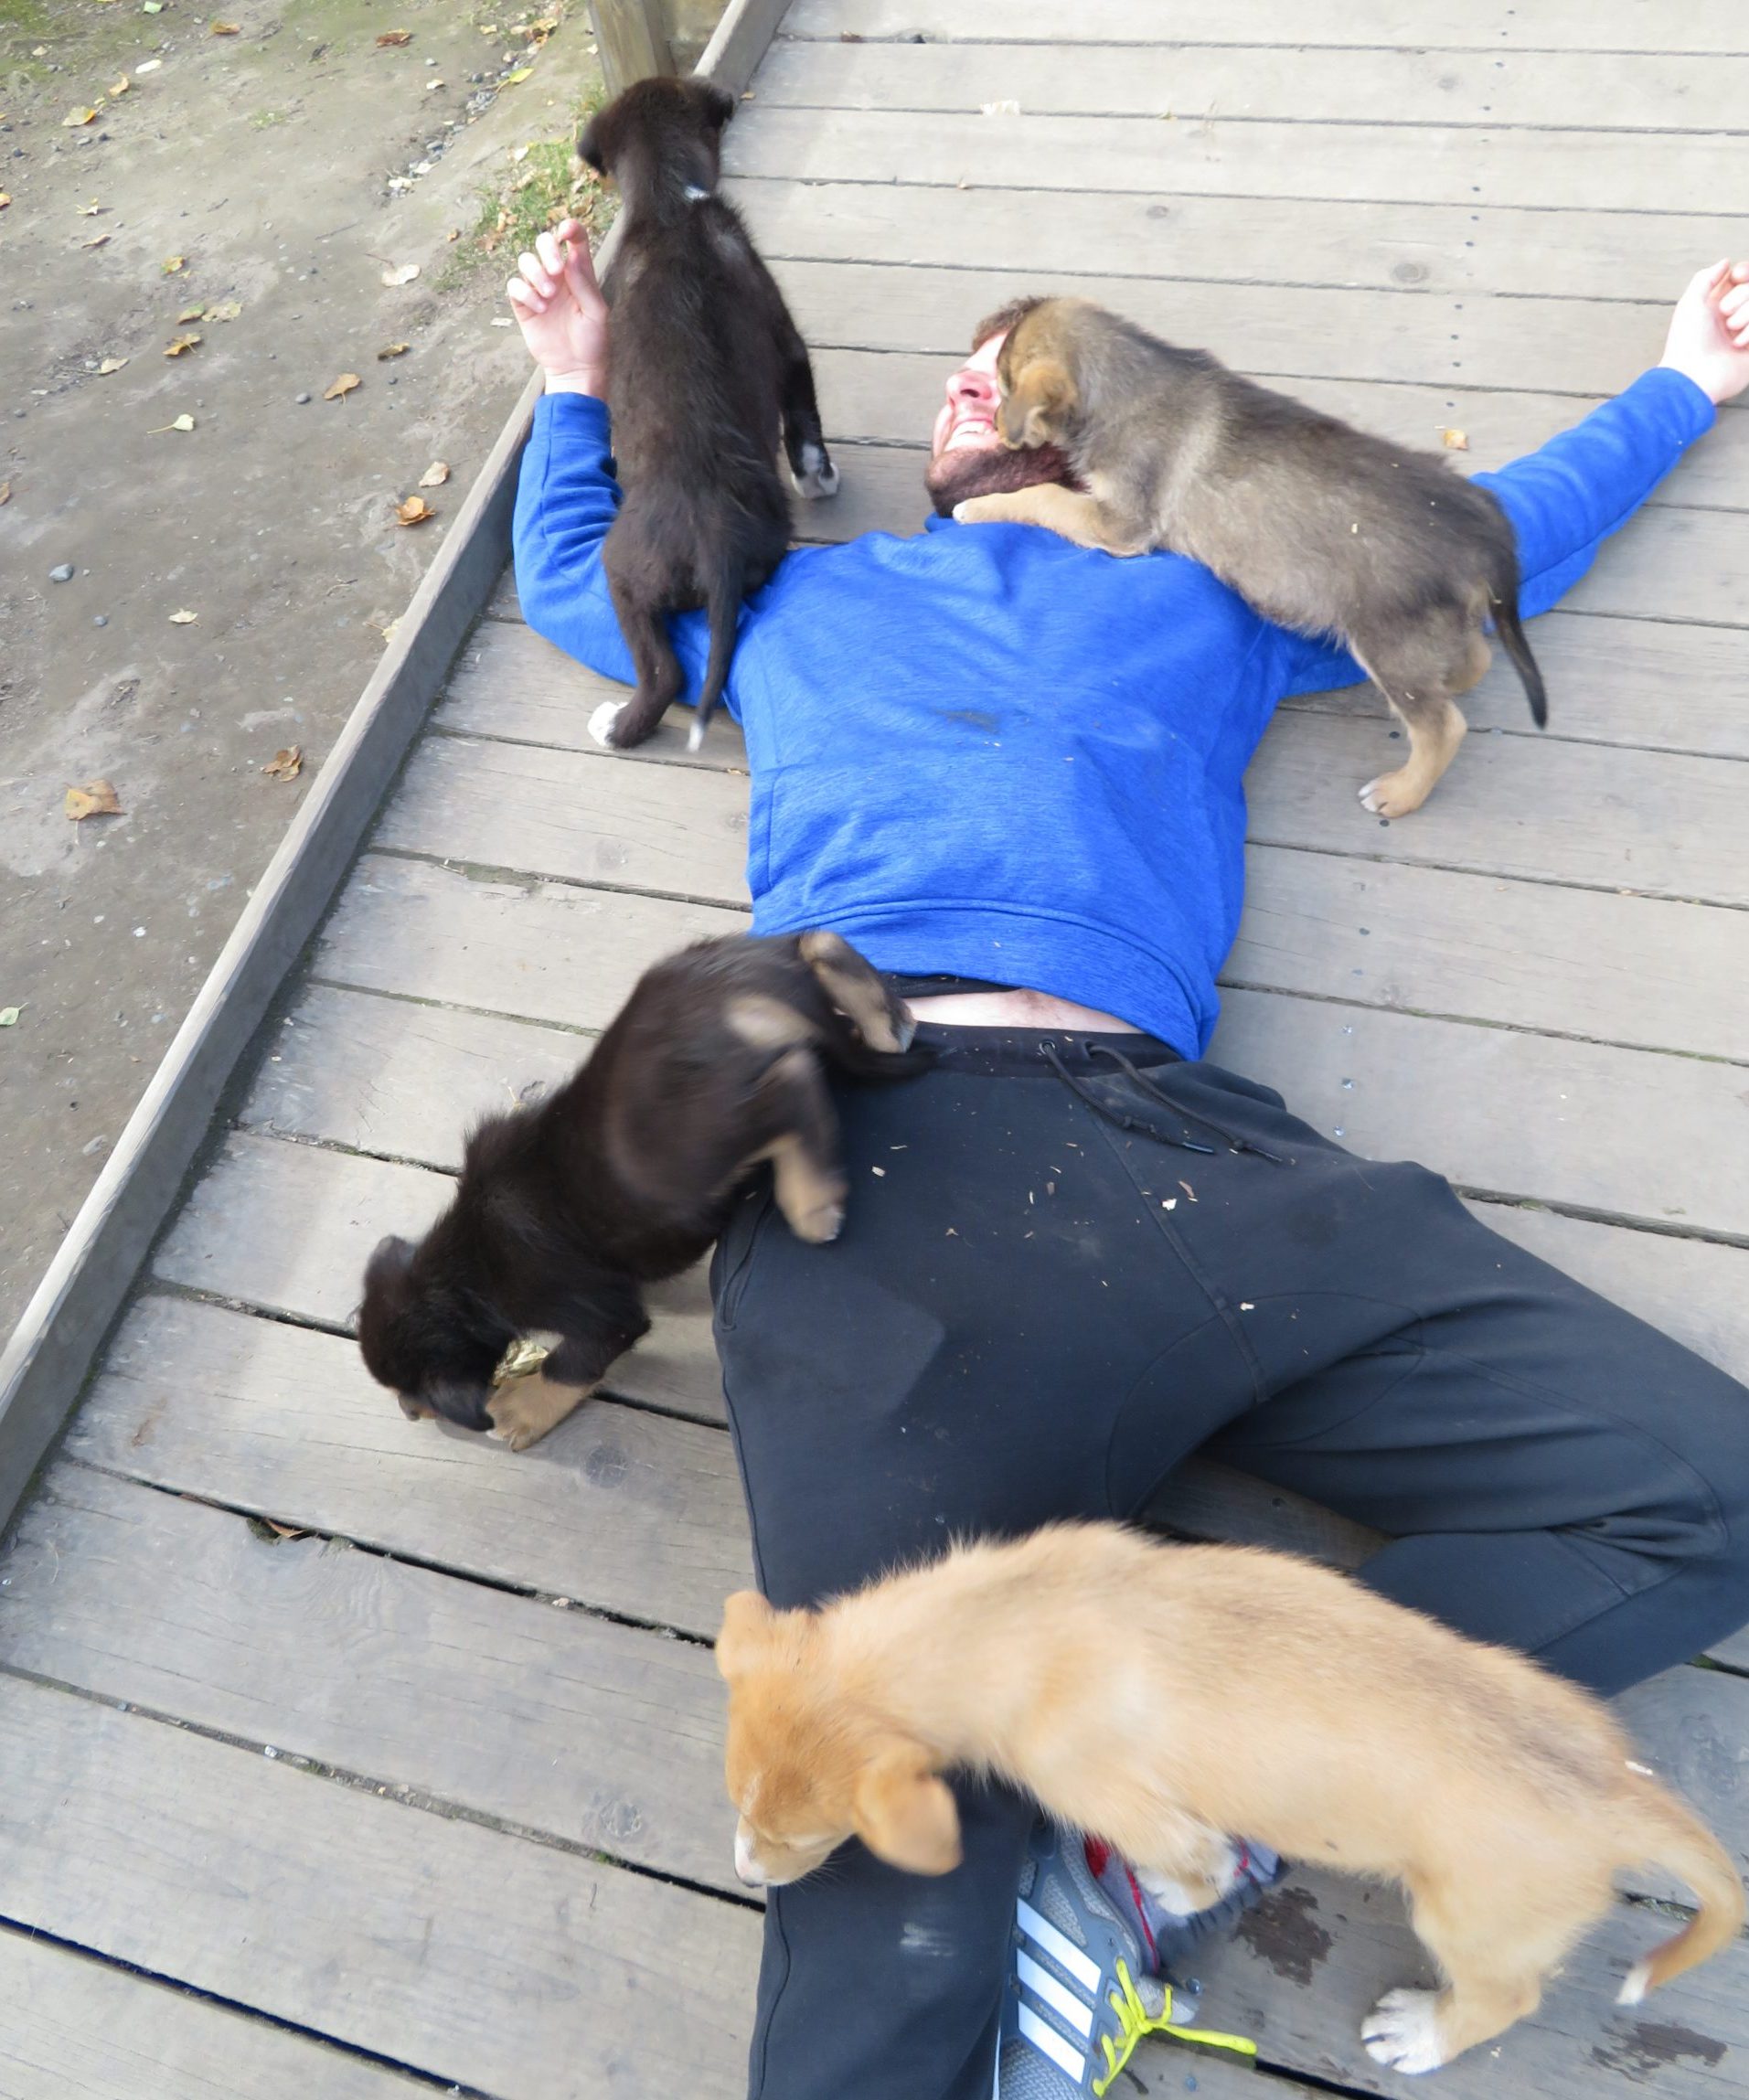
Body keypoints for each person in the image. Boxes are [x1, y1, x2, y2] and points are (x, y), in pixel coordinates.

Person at [508, 227, 1749, 2100]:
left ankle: (1205, 1789)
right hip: (876, 1168)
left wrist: (1683, 382)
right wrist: (575, 385)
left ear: (1076, 428)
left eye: (997, 369)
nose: (966, 383)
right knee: (871, 1867)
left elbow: (1481, 542)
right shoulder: (798, 601)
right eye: (952, 376)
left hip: (1195, 1162)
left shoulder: (1211, 594)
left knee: (1704, 1488)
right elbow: (568, 580)